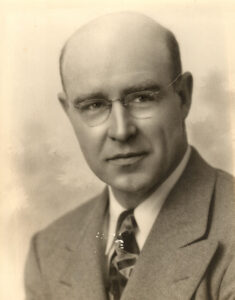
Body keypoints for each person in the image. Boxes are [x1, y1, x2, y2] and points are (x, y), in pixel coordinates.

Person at [24, 12, 235, 300]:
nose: (121, 131)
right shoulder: (47, 252)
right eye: (93, 105)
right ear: (69, 112)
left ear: (183, 97)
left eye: (142, 97)